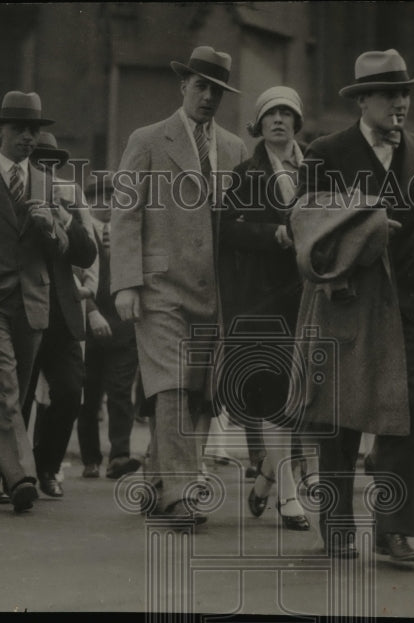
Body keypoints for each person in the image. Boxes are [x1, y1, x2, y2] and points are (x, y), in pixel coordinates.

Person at [291, 49, 414, 560]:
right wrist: (366, 230)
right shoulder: (327, 152)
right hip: (347, 300)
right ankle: (337, 522)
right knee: (342, 413)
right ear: (364, 99)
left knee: (408, 414)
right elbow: (304, 226)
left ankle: (394, 529)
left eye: (405, 93)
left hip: (406, 303)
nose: (400, 103)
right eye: (390, 94)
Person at [0, 91, 94, 513]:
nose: (28, 137)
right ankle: (21, 476)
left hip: (32, 305)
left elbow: (71, 250)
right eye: (20, 129)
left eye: (34, 130)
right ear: (1, 131)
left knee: (7, 393)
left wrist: (54, 229)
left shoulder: (48, 186)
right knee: (4, 390)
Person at [111, 46, 248, 526]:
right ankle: (181, 492)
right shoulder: (147, 140)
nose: (209, 97)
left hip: (213, 291)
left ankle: (156, 479)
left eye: (217, 90)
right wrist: (125, 284)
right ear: (183, 87)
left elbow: (239, 222)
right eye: (201, 87)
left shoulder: (233, 148)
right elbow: (124, 214)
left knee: (197, 390)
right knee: (169, 386)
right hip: (160, 285)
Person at [220, 86, 309, 531]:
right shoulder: (244, 174)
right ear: (259, 123)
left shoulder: (318, 169)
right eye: (270, 113)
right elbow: (227, 233)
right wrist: (271, 235)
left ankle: (268, 477)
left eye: (287, 113)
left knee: (302, 398)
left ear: (297, 122)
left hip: (311, 295)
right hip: (264, 298)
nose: (279, 120)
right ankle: (288, 496)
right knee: (276, 396)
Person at [19, 131, 97, 498]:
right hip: (20, 306)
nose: (45, 169)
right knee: (17, 396)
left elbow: (88, 251)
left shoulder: (70, 193)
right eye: (38, 161)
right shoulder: (12, 190)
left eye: (51, 163)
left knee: (69, 390)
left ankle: (46, 465)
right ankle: (13, 472)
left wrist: (62, 215)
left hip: (62, 309)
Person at [75, 173, 141, 480]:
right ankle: (90, 458)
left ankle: (120, 455)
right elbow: (72, 277)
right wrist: (90, 312)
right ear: (87, 202)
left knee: (120, 393)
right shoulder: (79, 232)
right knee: (88, 396)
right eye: (97, 198)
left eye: (111, 198)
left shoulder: (130, 235)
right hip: (89, 324)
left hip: (124, 325)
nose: (105, 204)